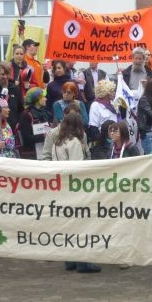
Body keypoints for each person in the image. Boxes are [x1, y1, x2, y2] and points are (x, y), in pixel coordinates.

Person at [50, 112, 100, 273]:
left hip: (61, 187)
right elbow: (79, 168)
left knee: (68, 224)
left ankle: (70, 259)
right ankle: (83, 262)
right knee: (81, 225)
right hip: (74, 187)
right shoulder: (74, 142)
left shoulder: (57, 142)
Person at [18, 87, 51, 159]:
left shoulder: (45, 113)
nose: (46, 99)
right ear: (36, 99)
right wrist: (43, 136)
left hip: (45, 152)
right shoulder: (26, 115)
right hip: (32, 154)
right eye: (43, 97)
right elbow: (26, 138)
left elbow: (47, 131)